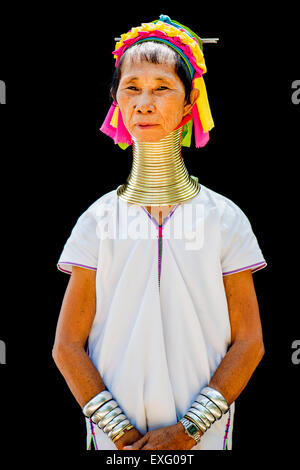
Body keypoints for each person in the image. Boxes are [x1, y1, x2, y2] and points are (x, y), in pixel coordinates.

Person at [53, 15, 267, 451]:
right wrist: (122, 435)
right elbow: (67, 347)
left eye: (161, 87)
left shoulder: (224, 218)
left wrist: (187, 432)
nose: (144, 103)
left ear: (190, 102)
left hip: (202, 444)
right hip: (116, 446)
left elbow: (250, 343)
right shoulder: (98, 220)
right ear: (116, 100)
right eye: (132, 87)